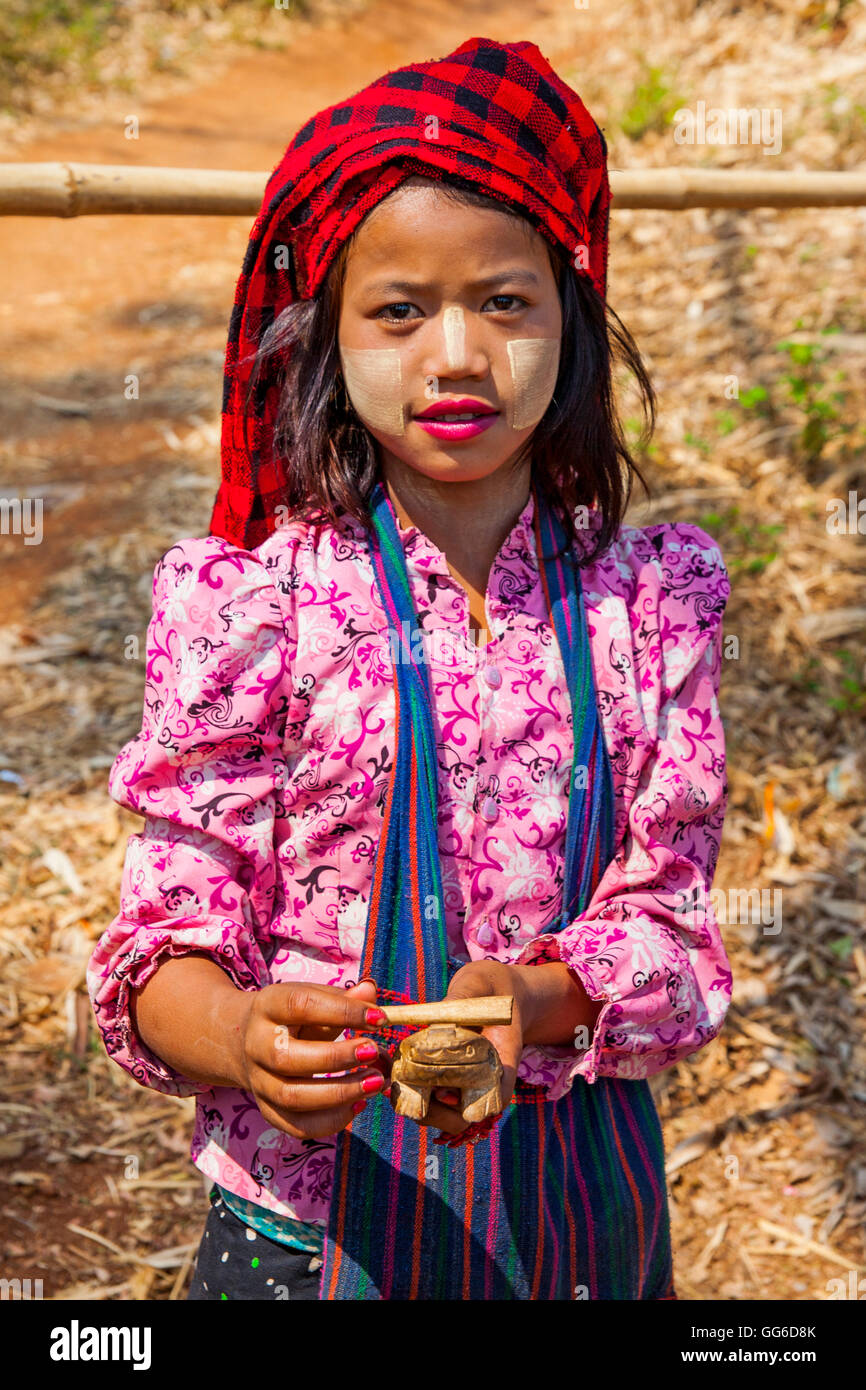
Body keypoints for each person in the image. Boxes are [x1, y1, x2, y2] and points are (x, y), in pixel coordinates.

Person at [87, 36, 732, 1301]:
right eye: (397, 310)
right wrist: (240, 1034)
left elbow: (673, 929)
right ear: (326, 333)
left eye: (504, 300)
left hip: (580, 1224)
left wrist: (534, 1002)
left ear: (573, 318)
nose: (454, 356)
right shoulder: (251, 605)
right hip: (312, 1235)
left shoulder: (653, 600)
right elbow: (161, 939)